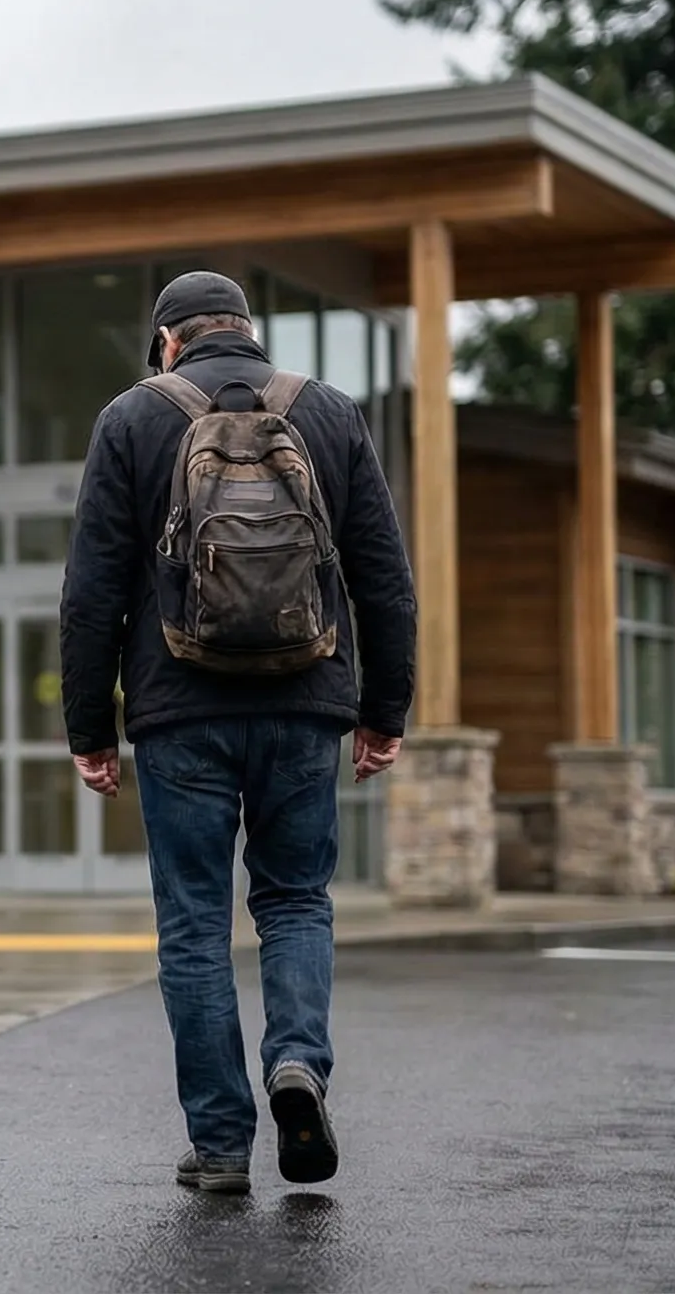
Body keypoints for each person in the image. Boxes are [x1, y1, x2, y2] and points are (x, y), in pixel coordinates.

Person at [60, 269, 416, 1194]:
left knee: (193, 926)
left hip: (180, 714)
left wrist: (89, 728)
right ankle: (297, 1061)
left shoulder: (133, 419)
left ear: (168, 342)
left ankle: (221, 1146)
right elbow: (383, 575)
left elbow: (92, 592)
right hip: (305, 703)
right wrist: (385, 712)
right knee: (295, 901)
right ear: (250, 334)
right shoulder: (329, 413)